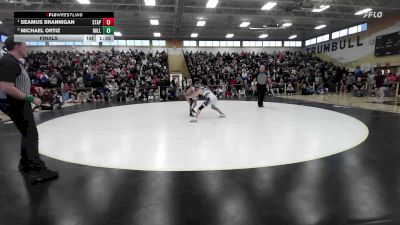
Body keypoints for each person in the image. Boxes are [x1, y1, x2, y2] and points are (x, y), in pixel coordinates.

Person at [0, 37, 59, 184]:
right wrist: (31, 98)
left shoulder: (14, 62)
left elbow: (17, 82)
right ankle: (36, 170)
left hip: (17, 102)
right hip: (15, 103)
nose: (27, 48)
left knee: (28, 133)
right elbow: (6, 87)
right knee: (31, 134)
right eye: (25, 46)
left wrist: (33, 88)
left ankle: (26, 164)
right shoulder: (8, 62)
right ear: (16, 46)